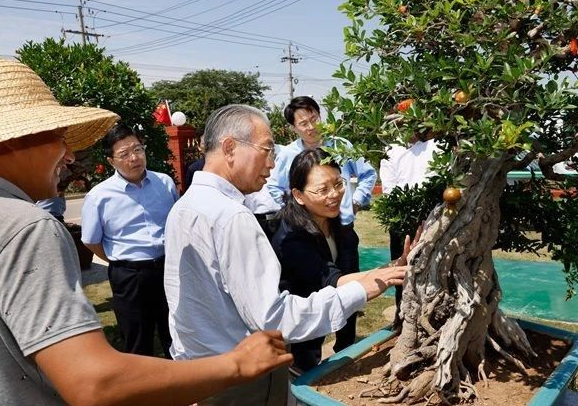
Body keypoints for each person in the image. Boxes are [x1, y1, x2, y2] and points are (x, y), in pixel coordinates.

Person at [0, 58, 292, 406]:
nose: (68, 156)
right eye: (58, 137)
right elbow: (94, 383)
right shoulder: (24, 226)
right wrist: (236, 364)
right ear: (14, 139)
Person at [164, 104, 409, 405]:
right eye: (267, 150)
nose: (271, 164)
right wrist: (361, 290)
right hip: (242, 378)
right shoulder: (232, 217)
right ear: (229, 148)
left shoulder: (184, 207)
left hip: (200, 371)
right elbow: (275, 319)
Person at [271, 148, 416, 372]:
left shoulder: (340, 227)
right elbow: (334, 281)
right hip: (293, 333)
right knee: (301, 373)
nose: (334, 195)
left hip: (322, 319)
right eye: (323, 190)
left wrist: (395, 265)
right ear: (298, 195)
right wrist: (388, 274)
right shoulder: (290, 238)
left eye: (339, 184)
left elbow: (348, 279)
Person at [266, 95, 377, 351]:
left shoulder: (341, 146)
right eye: (303, 123)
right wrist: (298, 209)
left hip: (341, 228)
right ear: (293, 128)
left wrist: (355, 201)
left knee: (348, 291)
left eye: (313, 119)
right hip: (308, 232)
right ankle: (309, 353)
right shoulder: (289, 155)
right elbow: (274, 187)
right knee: (313, 290)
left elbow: (368, 173)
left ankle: (345, 346)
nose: (311, 127)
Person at [81, 124, 177, 358]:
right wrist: (120, 262)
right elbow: (91, 241)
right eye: (124, 154)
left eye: (138, 149)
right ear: (111, 160)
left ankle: (182, 377)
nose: (134, 158)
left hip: (168, 269)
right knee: (138, 341)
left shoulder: (164, 183)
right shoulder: (99, 196)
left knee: (176, 334)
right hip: (130, 277)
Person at [380, 133, 440, 327]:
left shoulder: (437, 145)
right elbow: (389, 189)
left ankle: (432, 315)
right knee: (402, 271)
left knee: (433, 271)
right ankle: (402, 315)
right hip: (402, 221)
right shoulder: (391, 150)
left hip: (432, 219)